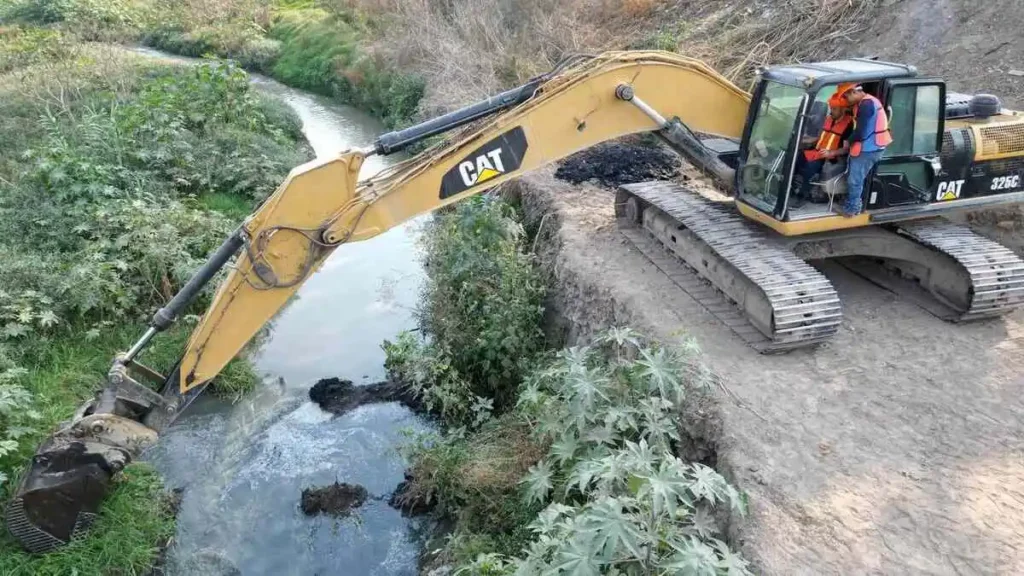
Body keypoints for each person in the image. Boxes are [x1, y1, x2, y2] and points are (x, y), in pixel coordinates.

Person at [840, 82, 892, 217]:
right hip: (871, 146)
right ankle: (852, 202)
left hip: (870, 148)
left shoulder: (866, 105)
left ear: (854, 92)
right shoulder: (865, 102)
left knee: (855, 179)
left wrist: (847, 142)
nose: (846, 101)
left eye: (846, 97)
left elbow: (861, 132)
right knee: (857, 177)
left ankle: (853, 208)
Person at [791, 94, 853, 208]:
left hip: (831, 157)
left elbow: (846, 149)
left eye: (834, 109)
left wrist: (831, 153)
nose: (831, 111)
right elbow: (822, 137)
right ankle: (790, 190)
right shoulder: (829, 119)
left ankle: (802, 196)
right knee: (794, 158)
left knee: (810, 168)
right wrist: (806, 141)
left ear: (842, 110)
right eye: (831, 108)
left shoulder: (849, 125)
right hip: (817, 152)